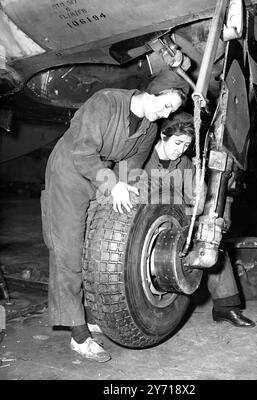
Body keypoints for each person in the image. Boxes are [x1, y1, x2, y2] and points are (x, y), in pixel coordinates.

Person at [41, 69, 190, 363]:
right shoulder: (106, 102)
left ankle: (85, 312)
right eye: (165, 103)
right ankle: (79, 335)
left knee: (92, 245)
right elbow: (82, 152)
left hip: (103, 177)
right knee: (68, 251)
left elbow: (130, 169)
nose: (165, 113)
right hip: (69, 173)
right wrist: (111, 184)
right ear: (152, 92)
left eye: (172, 110)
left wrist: (131, 195)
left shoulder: (148, 129)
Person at [144, 111, 256, 328]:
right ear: (162, 137)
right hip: (146, 225)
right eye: (177, 143)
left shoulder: (184, 163)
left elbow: (195, 199)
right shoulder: (144, 157)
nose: (180, 150)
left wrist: (198, 176)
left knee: (211, 243)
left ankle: (226, 308)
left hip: (176, 221)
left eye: (186, 146)